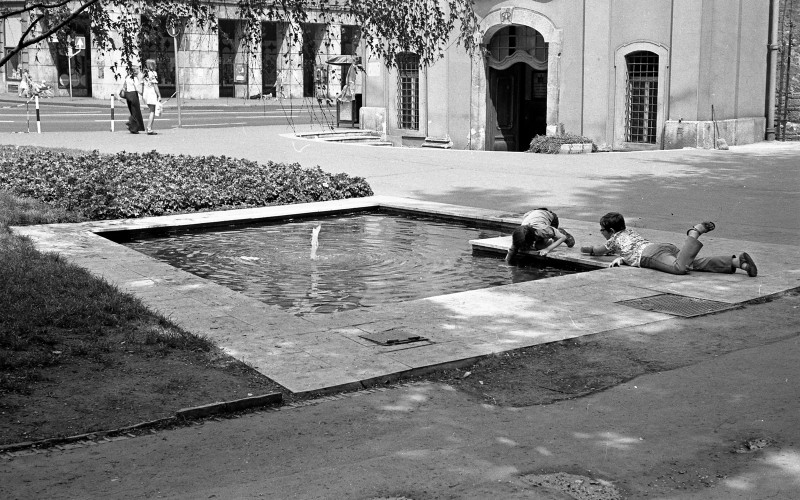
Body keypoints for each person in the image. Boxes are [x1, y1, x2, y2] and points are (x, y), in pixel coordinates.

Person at [581, 212, 758, 277]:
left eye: (601, 230)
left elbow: (597, 251)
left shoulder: (613, 240)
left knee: (679, 268)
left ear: (611, 231)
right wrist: (622, 257)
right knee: (692, 262)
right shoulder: (629, 232)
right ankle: (737, 262)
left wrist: (587, 249)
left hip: (650, 255)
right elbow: (626, 250)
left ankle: (694, 233)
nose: (601, 233)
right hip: (662, 247)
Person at [505, 208, 575, 264]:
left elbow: (563, 238)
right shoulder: (519, 235)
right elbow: (512, 250)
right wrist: (507, 264)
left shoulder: (543, 231)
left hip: (551, 218)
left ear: (534, 237)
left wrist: (547, 249)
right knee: (525, 247)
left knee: (540, 247)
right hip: (532, 214)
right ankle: (555, 233)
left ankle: (559, 231)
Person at [117, 63, 145, 134]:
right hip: (133, 94)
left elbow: (124, 86)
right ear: (135, 70)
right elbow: (138, 88)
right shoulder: (134, 78)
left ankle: (133, 127)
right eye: (138, 69)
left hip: (127, 95)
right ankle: (131, 124)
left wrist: (119, 95)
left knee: (132, 111)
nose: (139, 70)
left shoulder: (127, 77)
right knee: (136, 112)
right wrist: (142, 93)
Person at [141, 59, 162, 135]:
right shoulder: (153, 73)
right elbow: (155, 85)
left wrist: (143, 95)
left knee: (151, 110)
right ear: (152, 65)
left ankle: (149, 128)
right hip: (151, 93)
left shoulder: (144, 73)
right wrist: (159, 95)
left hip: (146, 93)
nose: (156, 65)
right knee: (152, 111)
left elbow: (142, 85)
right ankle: (149, 128)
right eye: (155, 64)